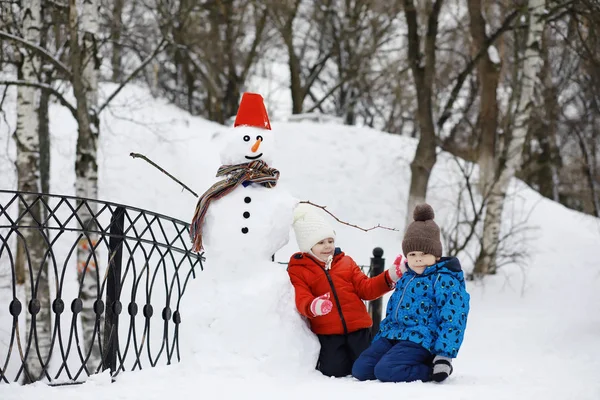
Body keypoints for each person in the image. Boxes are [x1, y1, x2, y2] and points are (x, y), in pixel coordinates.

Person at [352, 203, 470, 383]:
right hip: (392, 335)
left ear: (436, 255)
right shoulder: (407, 276)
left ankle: (428, 368)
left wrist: (444, 356)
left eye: (424, 253)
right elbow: (392, 311)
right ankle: (394, 359)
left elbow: (454, 317)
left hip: (421, 339)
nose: (418, 258)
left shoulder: (444, 279)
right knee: (361, 370)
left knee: (385, 371)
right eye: (412, 254)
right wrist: (380, 338)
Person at [287, 204, 404, 378]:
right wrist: (314, 306)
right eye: (320, 242)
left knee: (366, 368)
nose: (327, 246)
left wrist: (390, 276)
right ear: (307, 246)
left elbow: (367, 289)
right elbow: (301, 295)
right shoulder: (299, 269)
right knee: (334, 371)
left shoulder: (346, 262)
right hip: (328, 333)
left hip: (359, 330)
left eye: (330, 241)